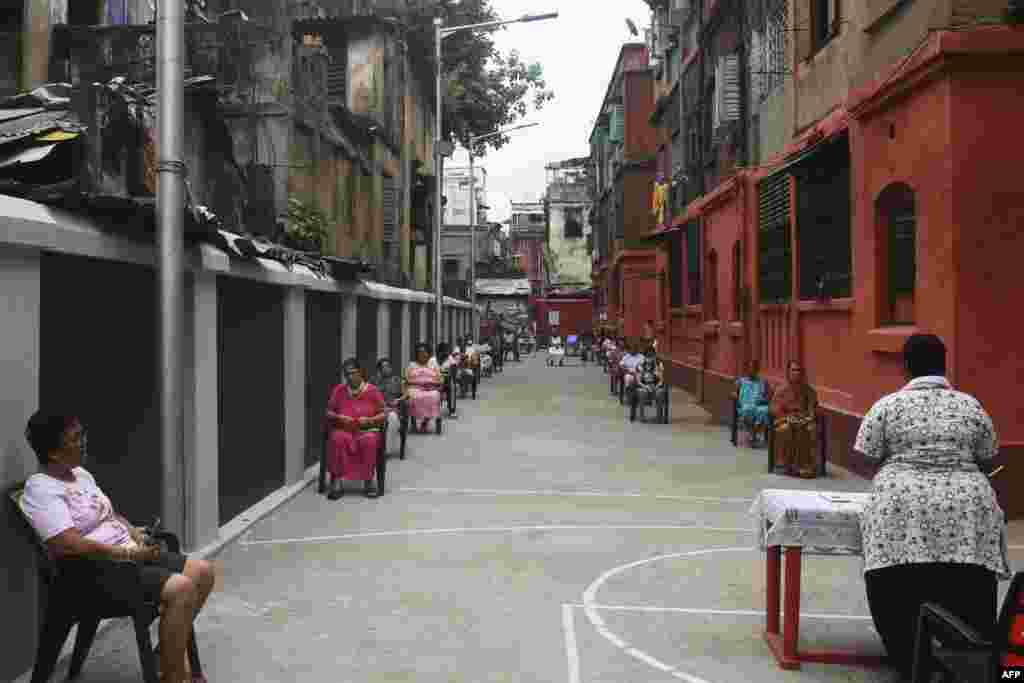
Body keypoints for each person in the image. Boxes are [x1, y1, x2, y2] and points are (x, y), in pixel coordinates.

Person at [854, 334, 1009, 682]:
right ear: (944, 363)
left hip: (901, 507)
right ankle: (968, 659)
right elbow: (989, 456)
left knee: (892, 583)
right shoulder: (971, 406)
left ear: (906, 366)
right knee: (970, 583)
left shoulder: (888, 406)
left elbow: (865, 456)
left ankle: (909, 659)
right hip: (967, 510)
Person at [21, 411, 217, 683]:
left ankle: (166, 653)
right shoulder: (40, 489)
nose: (84, 442)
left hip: (127, 559)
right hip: (95, 574)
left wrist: (135, 534)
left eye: (83, 435)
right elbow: (68, 544)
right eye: (75, 438)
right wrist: (127, 553)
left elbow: (109, 514)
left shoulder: (80, 475)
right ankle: (174, 676)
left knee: (203, 572)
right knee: (182, 589)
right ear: (53, 452)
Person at [326, 358, 387, 500]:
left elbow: (384, 413)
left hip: (366, 430)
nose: (349, 377)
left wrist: (370, 420)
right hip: (345, 429)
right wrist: (339, 417)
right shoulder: (339, 390)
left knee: (369, 440)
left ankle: (368, 480)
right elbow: (328, 412)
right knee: (337, 438)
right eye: (346, 374)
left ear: (361, 373)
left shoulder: (372, 391)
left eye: (353, 373)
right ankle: (337, 481)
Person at [769, 360, 819, 478]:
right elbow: (774, 409)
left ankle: (805, 465)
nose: (796, 373)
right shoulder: (781, 390)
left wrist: (808, 418)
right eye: (794, 370)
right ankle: (784, 465)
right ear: (788, 372)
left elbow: (813, 408)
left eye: (799, 370)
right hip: (784, 420)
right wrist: (787, 418)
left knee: (811, 429)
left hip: (804, 420)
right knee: (785, 429)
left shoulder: (809, 390)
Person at [732, 359, 772, 447]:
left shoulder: (763, 382)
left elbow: (769, 394)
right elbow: (734, 392)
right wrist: (735, 394)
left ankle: (752, 434)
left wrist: (766, 398)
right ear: (747, 369)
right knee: (747, 410)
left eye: (754, 368)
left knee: (765, 411)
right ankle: (752, 434)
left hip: (759, 405)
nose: (752, 370)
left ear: (757, 370)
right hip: (745, 405)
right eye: (750, 368)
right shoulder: (740, 381)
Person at [371, 357, 405, 458]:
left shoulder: (397, 380)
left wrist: (398, 400)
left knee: (393, 418)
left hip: (391, 409)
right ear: (379, 369)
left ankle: (386, 450)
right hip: (376, 409)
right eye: (384, 367)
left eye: (388, 366)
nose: (387, 368)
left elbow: (406, 395)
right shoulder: (373, 381)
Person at [407, 342, 444, 431]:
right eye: (420, 352)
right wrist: (418, 383)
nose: (422, 354)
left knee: (433, 396)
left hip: (431, 388)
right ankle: (414, 422)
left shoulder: (433, 365)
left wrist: (432, 383)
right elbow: (407, 379)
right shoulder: (412, 365)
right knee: (413, 396)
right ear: (417, 354)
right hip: (415, 388)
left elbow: (440, 379)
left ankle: (425, 421)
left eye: (424, 352)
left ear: (428, 353)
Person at [633, 348, 667, 419]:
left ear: (654, 356)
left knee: (660, 393)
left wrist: (656, 386)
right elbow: (638, 381)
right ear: (644, 357)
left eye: (651, 356)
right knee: (642, 392)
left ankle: (659, 416)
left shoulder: (658, 365)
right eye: (648, 356)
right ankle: (642, 415)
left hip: (655, 386)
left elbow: (661, 380)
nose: (649, 358)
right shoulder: (640, 366)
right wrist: (645, 387)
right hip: (643, 386)